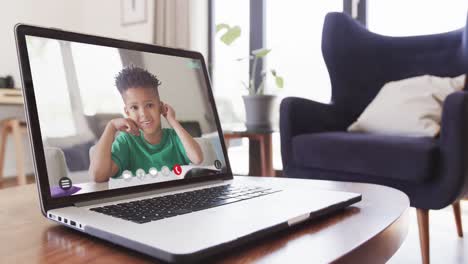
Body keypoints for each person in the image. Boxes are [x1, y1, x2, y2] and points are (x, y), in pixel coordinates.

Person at [89, 66, 203, 182]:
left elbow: (197, 158)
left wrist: (172, 120)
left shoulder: (174, 137)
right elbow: (98, 176)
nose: (143, 114)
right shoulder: (126, 142)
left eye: (149, 105)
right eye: (134, 107)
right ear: (127, 112)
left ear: (160, 107)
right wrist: (111, 127)